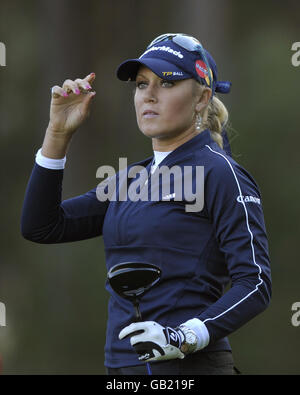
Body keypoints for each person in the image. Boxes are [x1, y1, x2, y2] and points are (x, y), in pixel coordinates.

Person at [21, 33, 272, 375]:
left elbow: (255, 282)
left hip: (191, 368)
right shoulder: (130, 179)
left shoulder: (221, 173)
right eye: (141, 84)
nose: (149, 95)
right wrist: (57, 135)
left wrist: (184, 336)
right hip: (122, 369)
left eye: (167, 83)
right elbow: (42, 225)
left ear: (202, 98)